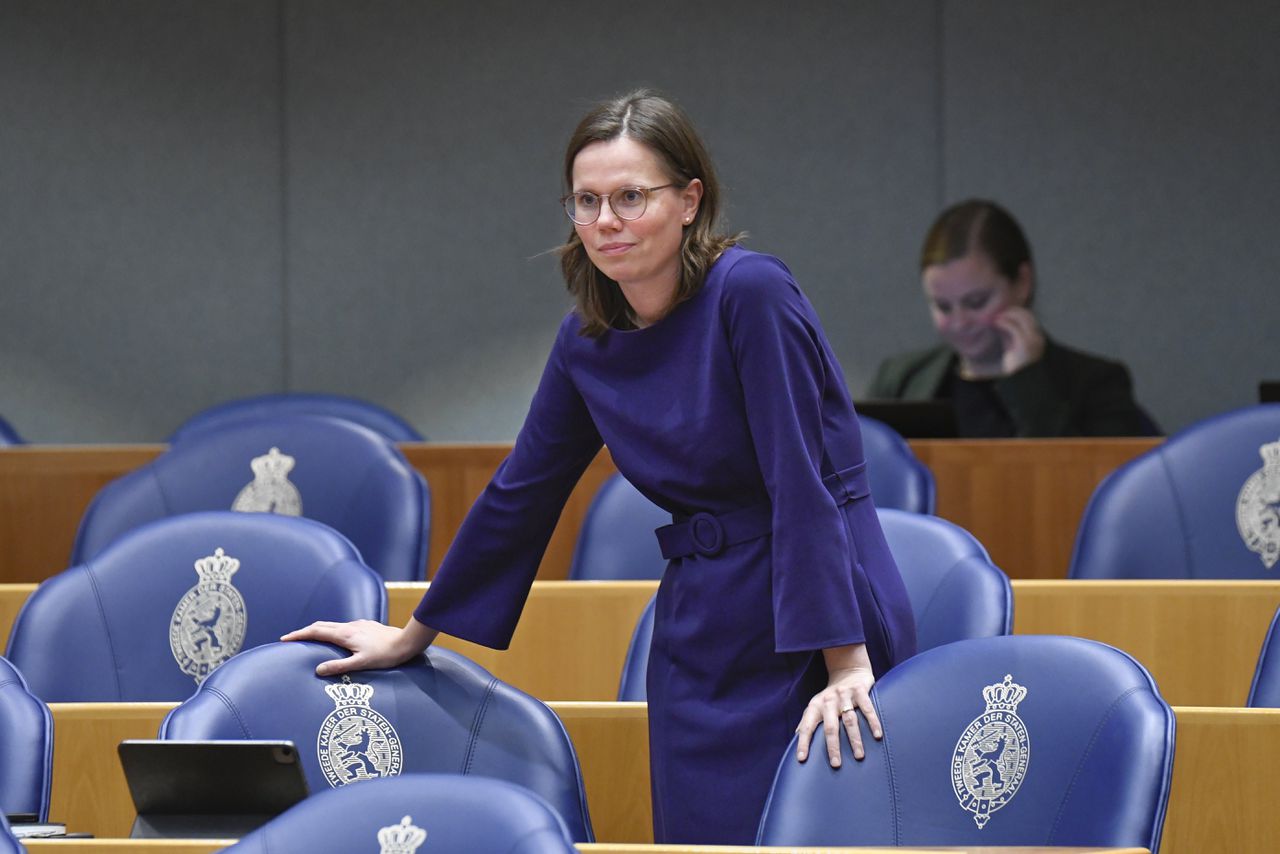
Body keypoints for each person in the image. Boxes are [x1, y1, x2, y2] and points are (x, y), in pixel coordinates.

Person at [284, 90, 916, 845]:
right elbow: (523, 490)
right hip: (701, 621)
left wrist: (845, 665)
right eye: (587, 202)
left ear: (689, 200)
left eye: (629, 197)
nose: (606, 221)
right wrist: (415, 634)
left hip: (816, 605)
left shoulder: (751, 294)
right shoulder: (588, 340)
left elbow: (799, 483)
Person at [868, 199, 1158, 437]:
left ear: (1022, 282)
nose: (959, 322)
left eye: (976, 302)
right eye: (943, 307)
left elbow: (1086, 489)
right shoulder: (901, 380)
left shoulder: (1097, 384)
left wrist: (1027, 383)